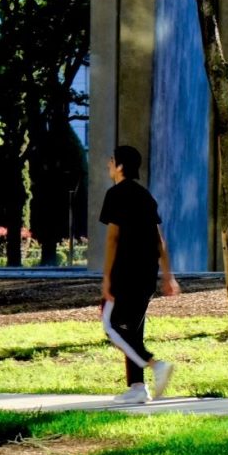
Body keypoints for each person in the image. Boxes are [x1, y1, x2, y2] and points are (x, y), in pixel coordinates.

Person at [99, 145, 180, 403]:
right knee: (132, 329)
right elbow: (160, 241)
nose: (108, 165)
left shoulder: (115, 194)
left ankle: (156, 365)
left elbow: (113, 238)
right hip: (147, 273)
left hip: (124, 271)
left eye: (111, 161)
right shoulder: (146, 196)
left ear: (120, 166)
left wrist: (107, 277)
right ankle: (137, 387)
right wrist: (168, 276)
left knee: (110, 324)